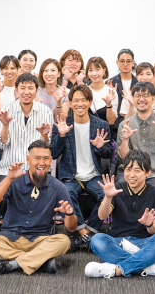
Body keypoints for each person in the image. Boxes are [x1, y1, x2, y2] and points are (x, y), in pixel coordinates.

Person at [0, 140, 76, 275]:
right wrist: (8, 178)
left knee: (64, 241)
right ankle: (39, 261)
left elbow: (72, 228)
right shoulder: (14, 180)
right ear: (28, 160)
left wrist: (69, 214)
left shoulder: (58, 186)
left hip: (39, 240)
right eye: (37, 158)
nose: (42, 163)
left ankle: (11, 264)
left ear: (51, 160)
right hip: (9, 238)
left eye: (46, 158)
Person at [85, 151, 155, 279]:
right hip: (118, 242)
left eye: (137, 170)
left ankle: (116, 270)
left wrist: (149, 225)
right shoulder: (117, 189)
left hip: (144, 243)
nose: (131, 175)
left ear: (148, 172)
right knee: (97, 240)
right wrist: (107, 197)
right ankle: (147, 265)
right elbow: (102, 216)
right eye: (128, 169)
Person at [50, 85, 113, 251]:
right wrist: (62, 135)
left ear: (90, 102)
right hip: (71, 176)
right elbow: (54, 154)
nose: (80, 104)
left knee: (106, 196)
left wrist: (101, 147)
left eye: (84, 100)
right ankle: (84, 233)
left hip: (94, 175)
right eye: (76, 100)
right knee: (66, 193)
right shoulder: (62, 124)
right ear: (70, 103)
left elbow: (107, 154)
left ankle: (89, 232)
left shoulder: (101, 124)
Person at [116, 81, 155, 201]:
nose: (141, 99)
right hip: (130, 173)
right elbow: (123, 158)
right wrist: (125, 139)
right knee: (119, 193)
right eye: (137, 96)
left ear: (153, 98)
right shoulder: (125, 124)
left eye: (145, 96)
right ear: (133, 98)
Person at [0, 73, 53, 180]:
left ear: (37, 91)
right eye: (22, 88)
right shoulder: (6, 110)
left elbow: (47, 146)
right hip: (9, 169)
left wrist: (44, 135)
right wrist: (5, 125)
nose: (26, 92)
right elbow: (2, 144)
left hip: (37, 169)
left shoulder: (46, 111)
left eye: (30, 88)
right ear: (16, 90)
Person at [85, 57, 118, 125]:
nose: (94, 74)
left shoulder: (111, 92)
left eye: (97, 70)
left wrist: (108, 104)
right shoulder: (84, 91)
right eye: (90, 70)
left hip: (106, 130)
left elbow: (111, 122)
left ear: (104, 70)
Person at [106, 49, 137, 116]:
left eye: (128, 61)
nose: (125, 64)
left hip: (135, 118)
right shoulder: (110, 82)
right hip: (115, 119)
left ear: (133, 63)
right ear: (117, 62)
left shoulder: (138, 82)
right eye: (122, 61)